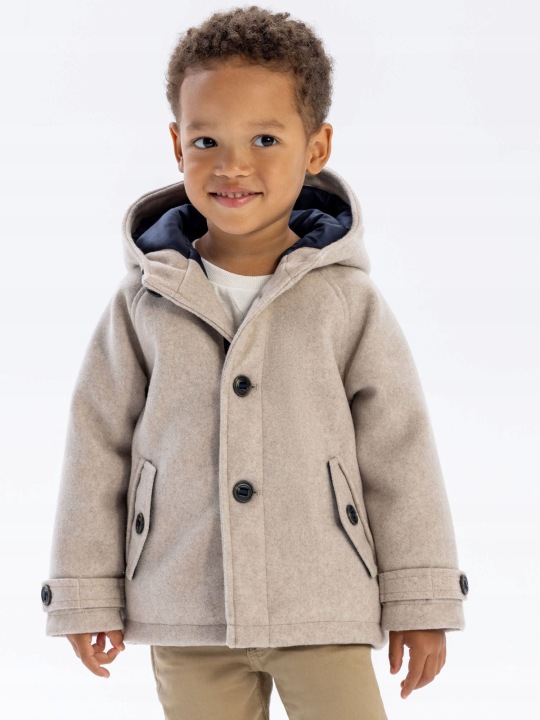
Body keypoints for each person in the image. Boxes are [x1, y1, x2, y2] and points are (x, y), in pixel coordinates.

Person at [41, 6, 469, 719]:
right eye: (206, 139)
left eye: (265, 138)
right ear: (177, 145)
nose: (232, 164)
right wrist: (85, 592)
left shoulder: (347, 301)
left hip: (323, 596)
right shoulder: (143, 303)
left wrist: (421, 599)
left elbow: (399, 450)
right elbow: (97, 447)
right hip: (185, 601)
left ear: (316, 146)